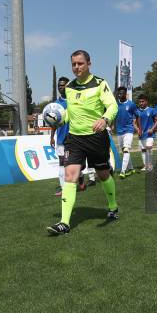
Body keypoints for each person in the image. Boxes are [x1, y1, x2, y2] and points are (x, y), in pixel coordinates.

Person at [47, 50, 119, 235]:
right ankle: (64, 222)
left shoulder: (100, 83)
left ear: (89, 64)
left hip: (96, 137)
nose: (76, 67)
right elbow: (71, 112)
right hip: (74, 138)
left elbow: (112, 105)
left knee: (103, 174)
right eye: (73, 64)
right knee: (70, 176)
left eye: (80, 63)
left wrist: (104, 119)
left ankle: (112, 207)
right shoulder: (69, 87)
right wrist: (60, 120)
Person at [115, 86, 139, 178]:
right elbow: (114, 116)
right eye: (119, 93)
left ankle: (123, 171)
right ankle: (132, 168)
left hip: (129, 130)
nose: (119, 95)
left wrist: (138, 127)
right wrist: (112, 125)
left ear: (125, 94)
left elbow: (137, 115)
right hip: (119, 131)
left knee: (126, 149)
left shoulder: (131, 104)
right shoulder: (116, 105)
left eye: (121, 93)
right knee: (124, 151)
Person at [135, 94, 157, 172]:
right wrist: (138, 130)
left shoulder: (152, 110)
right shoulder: (137, 111)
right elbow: (133, 123)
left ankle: (150, 165)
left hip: (149, 134)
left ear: (146, 101)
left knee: (148, 147)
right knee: (143, 150)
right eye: (139, 102)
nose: (141, 103)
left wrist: (152, 129)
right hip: (141, 135)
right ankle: (145, 165)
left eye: (142, 101)